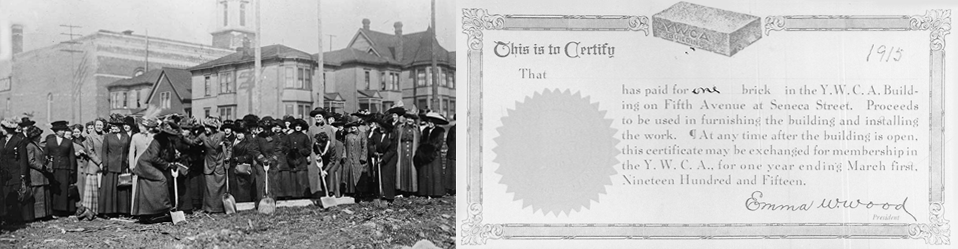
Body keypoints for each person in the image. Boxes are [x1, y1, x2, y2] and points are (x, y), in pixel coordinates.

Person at [132, 121, 187, 224]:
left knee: (161, 181)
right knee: (162, 180)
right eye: (173, 136)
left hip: (153, 164)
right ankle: (163, 209)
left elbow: (168, 156)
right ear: (167, 135)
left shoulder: (169, 142)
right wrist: (168, 165)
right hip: (145, 164)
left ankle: (155, 210)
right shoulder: (157, 142)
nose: (175, 138)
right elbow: (154, 158)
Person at [227, 119, 266, 204]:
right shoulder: (232, 141)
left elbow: (250, 155)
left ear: (244, 133)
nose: (239, 135)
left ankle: (244, 202)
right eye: (237, 133)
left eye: (241, 133)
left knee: (242, 187)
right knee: (233, 186)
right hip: (233, 167)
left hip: (243, 167)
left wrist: (241, 158)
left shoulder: (248, 143)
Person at [99, 117, 131, 217]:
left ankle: (122, 211)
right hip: (110, 166)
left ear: (120, 127)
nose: (113, 128)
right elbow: (104, 152)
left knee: (122, 188)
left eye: (115, 126)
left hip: (122, 166)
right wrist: (105, 164)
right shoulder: (108, 137)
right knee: (109, 188)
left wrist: (127, 162)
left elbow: (128, 151)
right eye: (112, 126)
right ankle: (108, 211)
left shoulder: (126, 136)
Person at [47, 121, 78, 217]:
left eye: (64, 130)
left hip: (65, 168)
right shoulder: (50, 141)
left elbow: (71, 156)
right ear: (56, 131)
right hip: (54, 168)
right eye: (61, 130)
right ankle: (55, 210)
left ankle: (63, 210)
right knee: (55, 189)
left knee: (64, 189)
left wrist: (72, 169)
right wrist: (48, 165)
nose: (63, 132)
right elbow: (46, 154)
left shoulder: (68, 142)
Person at [69, 124, 100, 220]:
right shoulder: (71, 142)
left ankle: (87, 207)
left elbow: (91, 151)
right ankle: (79, 207)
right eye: (74, 132)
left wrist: (85, 153)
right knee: (78, 186)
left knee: (86, 186)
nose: (76, 134)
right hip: (77, 165)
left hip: (86, 165)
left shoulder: (86, 140)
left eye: (78, 132)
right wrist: (74, 154)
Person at [1, 118, 27, 223]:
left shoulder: (18, 141)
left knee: (14, 194)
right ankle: (6, 217)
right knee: (5, 194)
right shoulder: (2, 140)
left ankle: (15, 218)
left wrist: (23, 173)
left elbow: (23, 158)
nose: (1, 130)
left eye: (2, 128)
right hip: (4, 172)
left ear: (7, 129)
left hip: (15, 171)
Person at [198, 118, 227, 213]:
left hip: (220, 163)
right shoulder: (202, 136)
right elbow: (193, 143)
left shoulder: (221, 135)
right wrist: (181, 138)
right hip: (208, 164)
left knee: (220, 186)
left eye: (208, 127)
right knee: (209, 187)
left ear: (213, 128)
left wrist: (228, 156)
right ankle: (209, 208)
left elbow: (229, 145)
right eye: (205, 127)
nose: (205, 129)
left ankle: (220, 208)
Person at [416, 112, 447, 197]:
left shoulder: (439, 131)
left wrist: (431, 149)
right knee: (425, 172)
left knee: (434, 172)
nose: (430, 123)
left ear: (435, 123)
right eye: (429, 122)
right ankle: (425, 192)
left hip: (434, 154)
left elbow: (439, 143)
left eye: (432, 122)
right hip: (425, 154)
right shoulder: (425, 131)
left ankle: (435, 192)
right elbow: (422, 141)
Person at [23, 126, 51, 221]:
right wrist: (42, 167)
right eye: (39, 135)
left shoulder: (37, 145)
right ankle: (38, 215)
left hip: (42, 174)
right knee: (38, 195)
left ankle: (45, 214)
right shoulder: (30, 146)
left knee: (43, 194)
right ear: (34, 136)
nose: (40, 137)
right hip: (36, 174)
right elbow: (31, 161)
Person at [307, 108, 335, 197]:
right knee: (315, 172)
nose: (318, 118)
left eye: (319, 116)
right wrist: (309, 155)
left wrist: (328, 151)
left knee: (326, 172)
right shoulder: (311, 128)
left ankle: (328, 191)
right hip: (315, 153)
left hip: (327, 153)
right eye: (316, 117)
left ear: (323, 117)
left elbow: (332, 141)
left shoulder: (329, 128)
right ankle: (316, 192)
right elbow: (309, 142)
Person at [342, 120, 368, 198]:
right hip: (349, 159)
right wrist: (344, 155)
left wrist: (363, 157)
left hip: (358, 159)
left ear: (357, 126)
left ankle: (359, 192)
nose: (353, 127)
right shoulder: (347, 136)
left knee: (358, 174)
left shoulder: (362, 134)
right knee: (349, 174)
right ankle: (350, 192)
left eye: (354, 126)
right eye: (351, 126)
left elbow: (364, 146)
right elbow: (344, 146)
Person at [396, 113, 420, 195]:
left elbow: (419, 140)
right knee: (402, 168)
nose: (410, 120)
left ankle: (411, 189)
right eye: (408, 118)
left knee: (411, 168)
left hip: (412, 150)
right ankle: (402, 189)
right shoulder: (400, 127)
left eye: (412, 119)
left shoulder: (416, 128)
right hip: (402, 151)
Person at [444, 124, 456, 196]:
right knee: (451, 171)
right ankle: (451, 189)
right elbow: (448, 140)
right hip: (453, 152)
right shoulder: (453, 129)